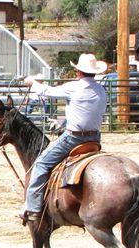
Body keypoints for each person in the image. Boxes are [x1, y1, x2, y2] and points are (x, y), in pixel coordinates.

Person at [20, 53, 107, 221]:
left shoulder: (74, 87)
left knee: (41, 163)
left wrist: (32, 83)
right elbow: (88, 111)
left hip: (73, 139)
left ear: (79, 72)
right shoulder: (101, 89)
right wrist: (64, 121)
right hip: (94, 139)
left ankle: (33, 208)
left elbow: (47, 91)